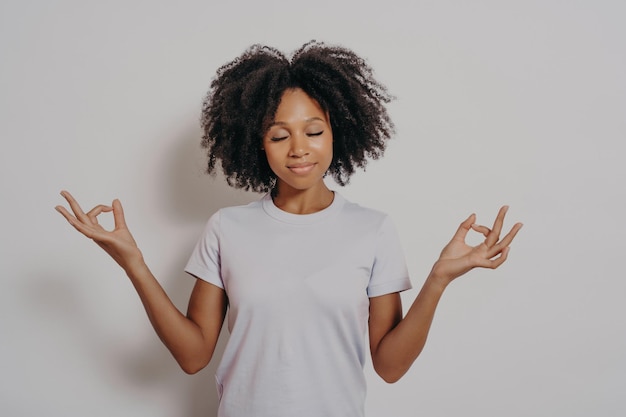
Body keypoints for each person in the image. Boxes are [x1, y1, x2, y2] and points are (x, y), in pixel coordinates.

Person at [55, 41, 522, 417]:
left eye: (313, 131)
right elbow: (194, 355)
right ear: (257, 144)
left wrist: (438, 280)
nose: (298, 148)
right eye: (279, 135)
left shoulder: (372, 229)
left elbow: (390, 366)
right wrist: (132, 262)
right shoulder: (227, 228)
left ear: (338, 133)